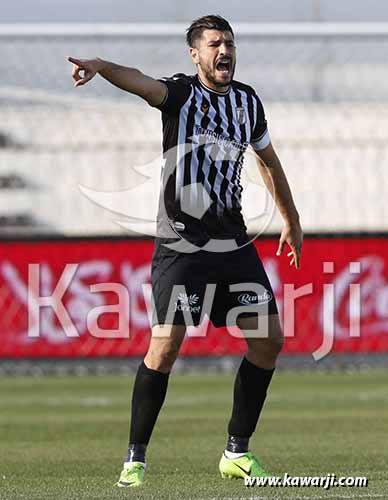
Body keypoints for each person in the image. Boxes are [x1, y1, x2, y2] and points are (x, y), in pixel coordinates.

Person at [67, 14, 303, 487]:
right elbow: (139, 82)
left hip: (233, 242)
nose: (226, 51)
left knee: (270, 339)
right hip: (183, 244)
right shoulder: (180, 94)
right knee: (166, 344)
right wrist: (100, 65)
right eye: (215, 43)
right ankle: (135, 460)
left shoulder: (246, 102)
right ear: (195, 54)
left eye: (230, 43)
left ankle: (237, 451)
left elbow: (268, 161)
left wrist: (291, 218)